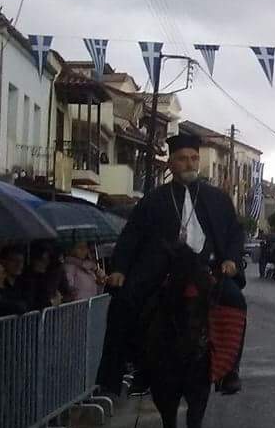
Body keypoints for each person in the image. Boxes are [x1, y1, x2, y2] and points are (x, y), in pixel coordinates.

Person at [103, 133, 246, 396]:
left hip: (207, 270)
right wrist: (120, 269)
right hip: (163, 269)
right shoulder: (153, 200)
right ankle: (128, 371)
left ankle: (229, 371)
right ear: (171, 163)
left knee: (236, 299)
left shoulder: (218, 199)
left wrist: (231, 260)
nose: (190, 163)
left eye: (194, 158)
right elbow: (131, 236)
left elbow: (235, 233)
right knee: (126, 300)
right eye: (182, 159)